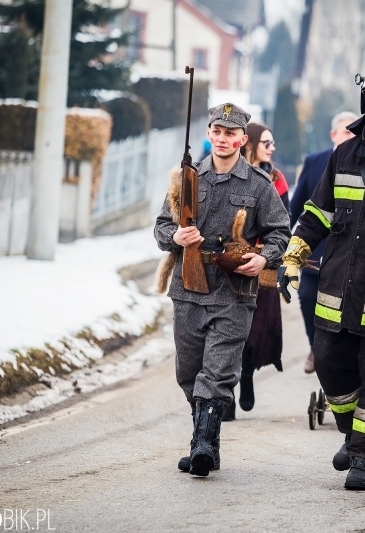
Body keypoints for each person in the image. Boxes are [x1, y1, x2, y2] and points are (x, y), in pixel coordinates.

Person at [278, 62, 365, 490]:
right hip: (337, 286)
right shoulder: (344, 154)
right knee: (329, 363)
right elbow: (317, 213)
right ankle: (352, 431)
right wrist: (294, 255)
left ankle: (364, 458)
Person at [153, 103, 290, 477]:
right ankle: (208, 443)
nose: (223, 139)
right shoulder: (187, 179)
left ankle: (200, 446)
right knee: (189, 373)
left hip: (234, 291)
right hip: (189, 289)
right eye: (217, 131)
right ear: (209, 134)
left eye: (231, 133)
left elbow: (281, 231)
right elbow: (162, 227)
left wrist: (265, 260)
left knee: (217, 372)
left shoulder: (259, 186)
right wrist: (176, 236)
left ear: (243, 139)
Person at [289, 111, 357, 373]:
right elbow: (297, 208)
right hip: (314, 252)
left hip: (345, 255)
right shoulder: (315, 162)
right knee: (307, 298)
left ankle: (334, 355)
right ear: (333, 135)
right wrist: (283, 240)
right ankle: (316, 348)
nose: (350, 136)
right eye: (345, 131)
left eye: (354, 131)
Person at [235, 122, 290, 413]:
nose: (272, 148)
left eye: (272, 143)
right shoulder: (233, 175)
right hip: (231, 260)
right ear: (251, 144)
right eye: (266, 143)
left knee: (256, 328)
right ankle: (224, 392)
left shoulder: (277, 179)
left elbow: (284, 223)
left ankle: (246, 375)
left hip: (263, 263)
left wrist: (269, 254)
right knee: (229, 326)